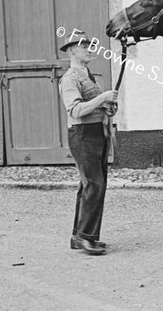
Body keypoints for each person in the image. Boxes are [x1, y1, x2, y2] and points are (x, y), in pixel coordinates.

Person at [58, 31, 118, 255]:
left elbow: (92, 105)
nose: (90, 49)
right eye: (84, 46)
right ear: (71, 51)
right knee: (95, 184)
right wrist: (102, 99)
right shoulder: (70, 78)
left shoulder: (88, 75)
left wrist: (107, 106)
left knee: (89, 185)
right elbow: (75, 109)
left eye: (90, 45)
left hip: (96, 132)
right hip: (82, 134)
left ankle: (79, 236)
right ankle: (86, 237)